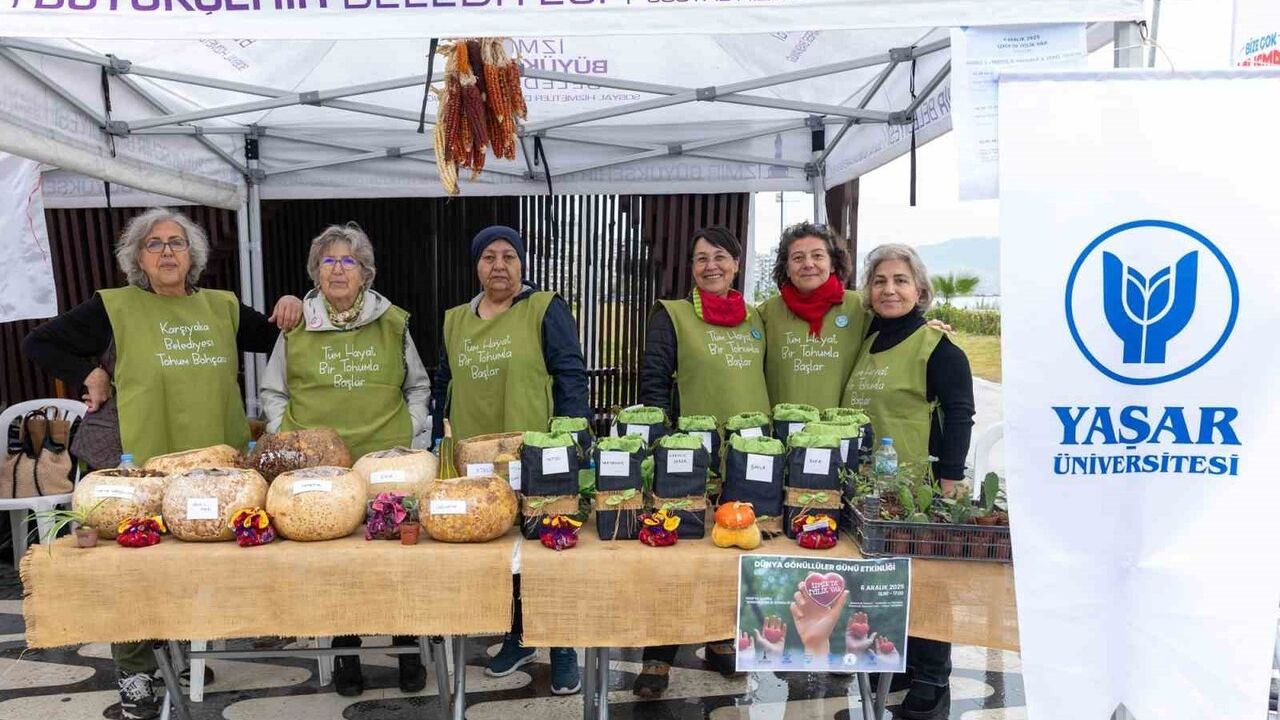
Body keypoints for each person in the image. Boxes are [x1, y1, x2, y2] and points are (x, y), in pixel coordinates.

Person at [22, 207, 301, 720]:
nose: (168, 251)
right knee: (133, 567)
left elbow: (286, 338)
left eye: (177, 242)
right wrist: (89, 375)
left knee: (193, 561)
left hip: (211, 468)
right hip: (135, 464)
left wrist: (291, 304)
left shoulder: (222, 306)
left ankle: (176, 653)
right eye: (155, 244)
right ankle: (135, 674)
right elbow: (39, 342)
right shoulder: (114, 307)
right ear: (137, 258)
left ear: (193, 254)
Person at [260, 222, 431, 696]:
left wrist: (412, 429)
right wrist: (289, 441)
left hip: (387, 464)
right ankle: (346, 651)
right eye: (329, 261)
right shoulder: (296, 324)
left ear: (365, 274)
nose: (338, 269)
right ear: (316, 272)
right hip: (321, 472)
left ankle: (407, 647)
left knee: (397, 558)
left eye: (349, 260)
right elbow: (273, 391)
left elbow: (417, 385)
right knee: (337, 564)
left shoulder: (393, 321)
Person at [431, 225, 589, 695]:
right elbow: (444, 384)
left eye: (508, 256)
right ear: (476, 266)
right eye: (488, 257)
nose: (498, 265)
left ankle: (561, 644)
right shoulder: (456, 319)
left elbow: (570, 374)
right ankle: (518, 634)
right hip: (475, 460)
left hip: (538, 455)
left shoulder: (545, 307)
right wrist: (436, 443)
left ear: (522, 264)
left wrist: (571, 440)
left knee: (546, 544)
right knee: (500, 548)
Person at [634, 225, 770, 698]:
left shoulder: (758, 318)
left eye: (720, 257)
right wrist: (664, 448)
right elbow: (653, 381)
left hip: (750, 458)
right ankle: (658, 655)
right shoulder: (671, 315)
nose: (710, 266)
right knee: (676, 554)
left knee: (733, 551)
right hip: (687, 458)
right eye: (700, 258)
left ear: (736, 263)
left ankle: (719, 639)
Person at [842, 243, 975, 720]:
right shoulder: (868, 341)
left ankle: (932, 677)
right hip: (871, 489)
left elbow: (960, 415)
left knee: (928, 583)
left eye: (900, 281)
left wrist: (951, 480)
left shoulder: (937, 346)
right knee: (889, 582)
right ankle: (897, 666)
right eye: (879, 281)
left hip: (919, 490)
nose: (889, 289)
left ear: (919, 290)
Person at [758, 221, 868, 409]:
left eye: (817, 256)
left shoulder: (860, 307)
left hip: (843, 430)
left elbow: (896, 332)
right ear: (786, 268)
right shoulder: (766, 313)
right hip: (785, 430)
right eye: (798, 258)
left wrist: (928, 327)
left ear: (833, 264)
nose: (808, 264)